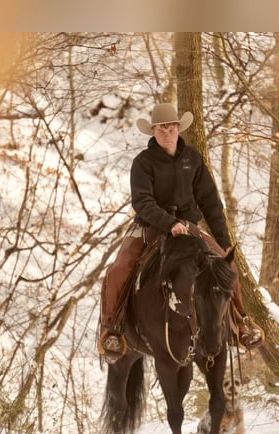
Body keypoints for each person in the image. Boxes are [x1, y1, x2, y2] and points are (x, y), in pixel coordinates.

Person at [98, 103, 263, 363]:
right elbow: (142, 201)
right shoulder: (142, 162)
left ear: (178, 129)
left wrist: (223, 242)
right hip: (149, 226)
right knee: (118, 270)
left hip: (188, 227)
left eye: (172, 127)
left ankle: (243, 324)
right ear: (153, 131)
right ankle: (112, 329)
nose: (167, 132)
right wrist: (168, 222)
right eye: (162, 128)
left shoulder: (193, 159)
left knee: (226, 269)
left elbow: (210, 201)